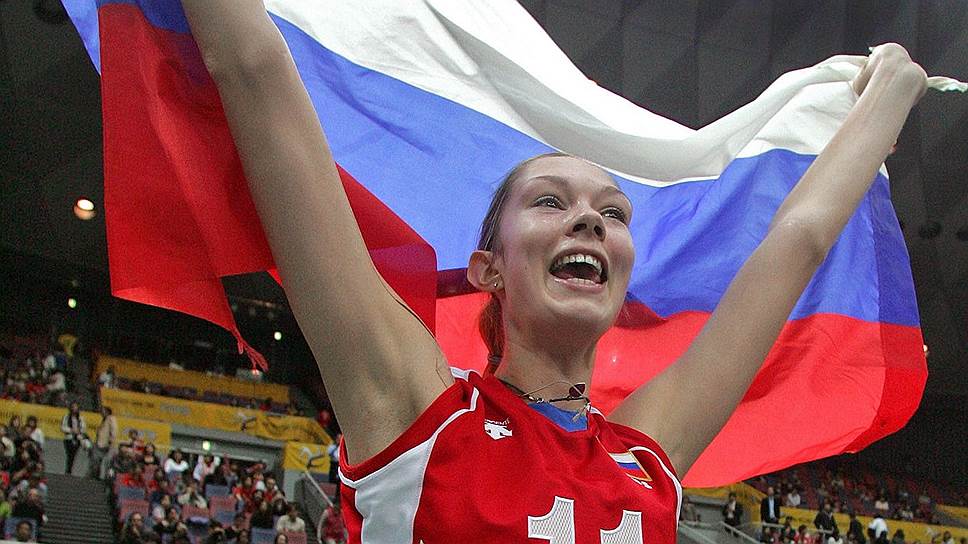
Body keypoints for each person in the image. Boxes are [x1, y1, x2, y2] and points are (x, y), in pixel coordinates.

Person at [180, 2, 929, 540]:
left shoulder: (646, 453)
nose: (590, 220)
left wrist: (888, 97)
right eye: (549, 201)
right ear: (489, 269)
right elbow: (253, 72)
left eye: (613, 213)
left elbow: (796, 243)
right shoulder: (414, 410)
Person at [89, 405, 117, 479]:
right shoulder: (104, 420)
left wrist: (111, 441)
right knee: (96, 460)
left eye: (103, 411)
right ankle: (96, 476)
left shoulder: (111, 418)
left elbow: (113, 430)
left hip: (105, 444)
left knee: (106, 462)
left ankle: (106, 478)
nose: (101, 412)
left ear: (107, 412)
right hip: (100, 443)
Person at [60, 401, 86, 475]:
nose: (74, 408)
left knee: (73, 455)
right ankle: (68, 470)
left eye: (75, 407)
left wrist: (78, 431)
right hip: (68, 438)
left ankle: (69, 470)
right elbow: (63, 427)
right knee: (69, 454)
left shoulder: (80, 418)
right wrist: (71, 430)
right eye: (73, 407)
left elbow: (83, 428)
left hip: (77, 439)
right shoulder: (66, 417)